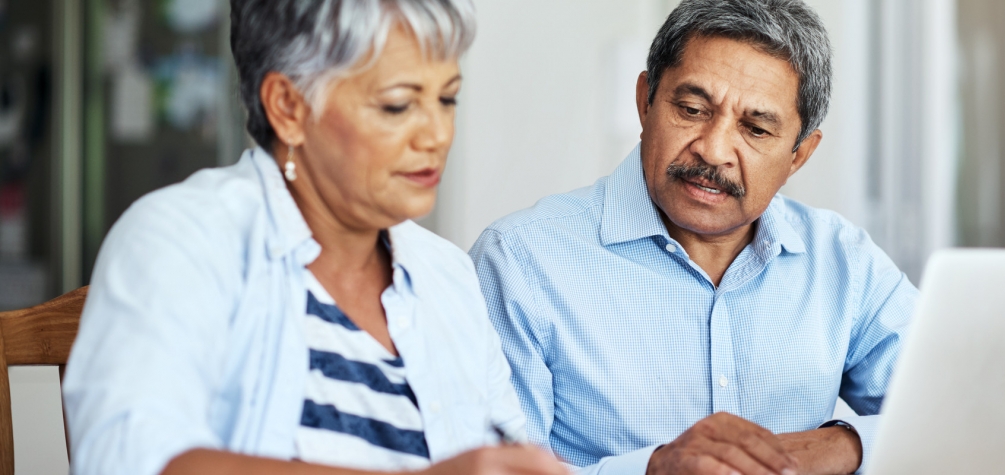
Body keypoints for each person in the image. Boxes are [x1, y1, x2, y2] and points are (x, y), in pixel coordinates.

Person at [62, 2, 567, 475]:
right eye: (397, 105)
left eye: (447, 98)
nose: (436, 134)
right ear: (287, 107)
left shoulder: (448, 275)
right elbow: (131, 461)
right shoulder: (180, 240)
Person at [469, 1, 917, 474]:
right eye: (691, 109)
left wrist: (845, 445)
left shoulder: (844, 261)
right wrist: (652, 470)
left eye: (756, 128)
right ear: (645, 100)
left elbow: (965, 411)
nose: (714, 148)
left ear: (799, 154)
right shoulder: (519, 262)